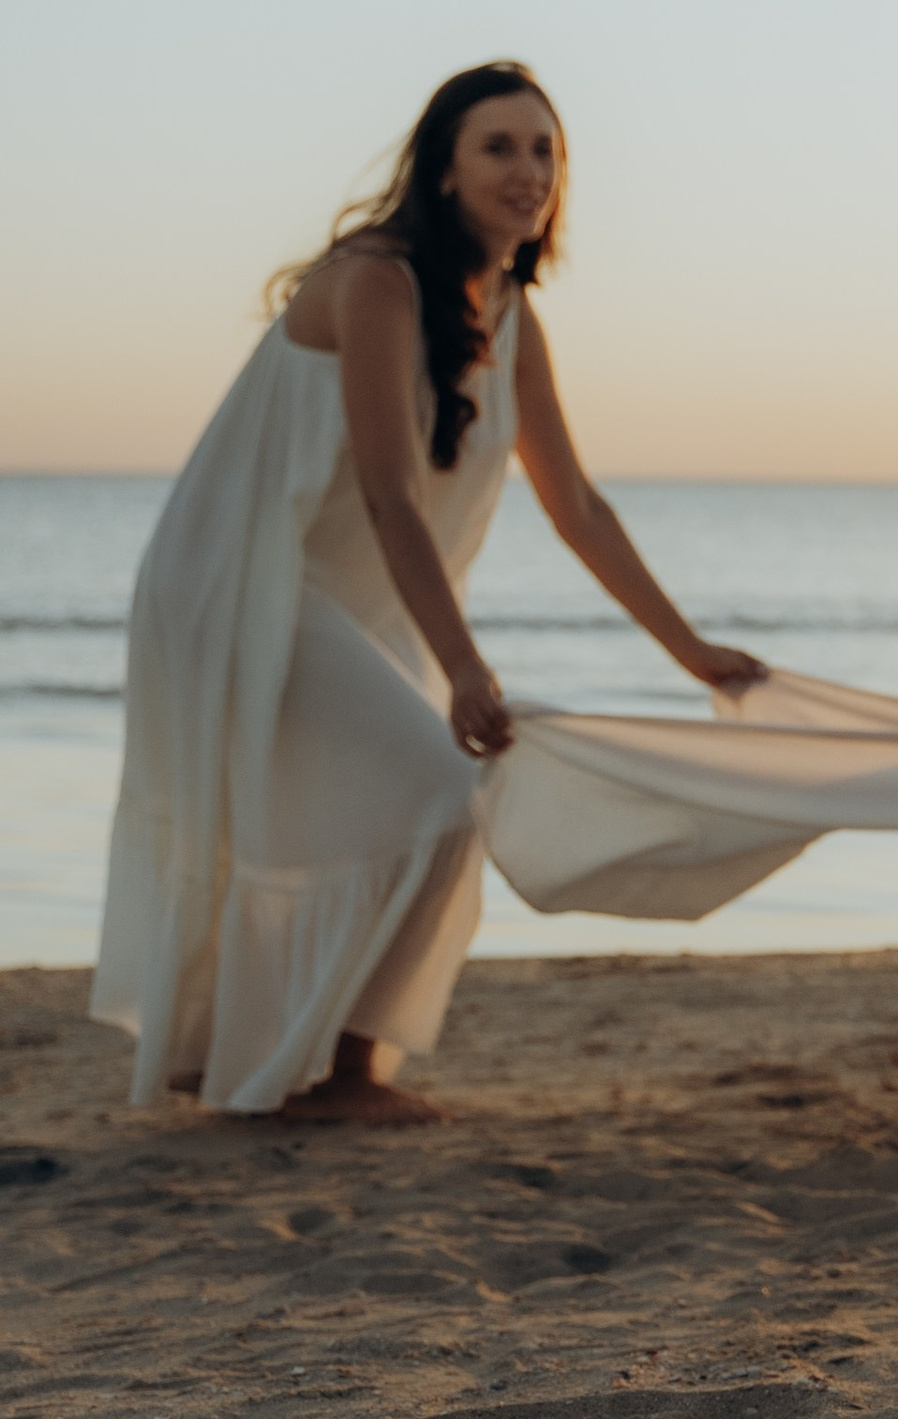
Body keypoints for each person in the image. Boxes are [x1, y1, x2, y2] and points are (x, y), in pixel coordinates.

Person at [93, 63, 763, 1123]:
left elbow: (576, 505)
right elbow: (388, 492)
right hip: (248, 585)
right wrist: (461, 666)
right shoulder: (377, 279)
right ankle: (341, 1077)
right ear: (442, 170)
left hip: (355, 602)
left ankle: (268, 1057)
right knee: (440, 795)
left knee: (388, 807)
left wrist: (690, 652)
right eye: (498, 146)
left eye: (544, 151)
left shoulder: (507, 311)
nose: (527, 170)